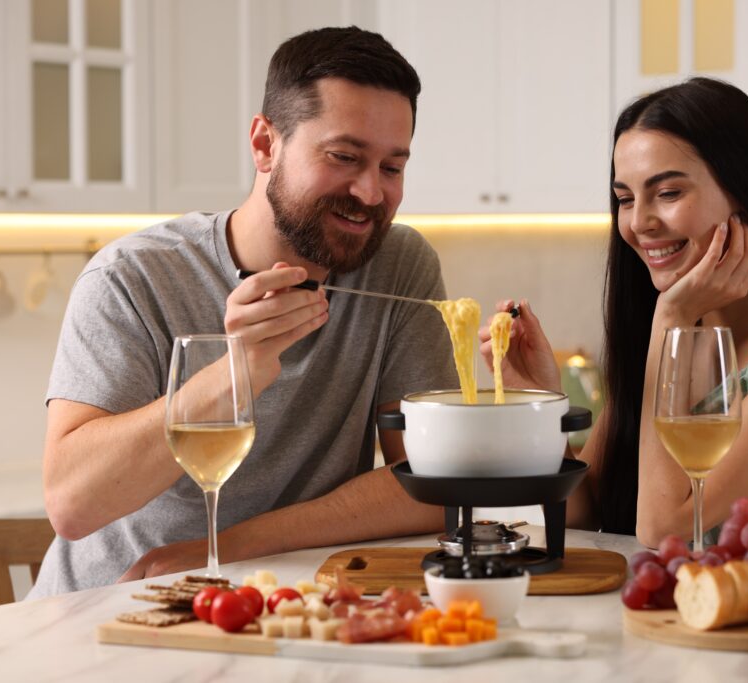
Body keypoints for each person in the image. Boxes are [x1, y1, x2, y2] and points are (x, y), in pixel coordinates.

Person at [28, 26, 458, 597]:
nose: (371, 193)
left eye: (392, 168)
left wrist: (234, 548)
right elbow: (72, 504)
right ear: (265, 145)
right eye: (344, 157)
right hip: (111, 608)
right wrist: (237, 371)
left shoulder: (399, 265)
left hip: (287, 605)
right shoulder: (132, 276)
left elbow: (432, 484)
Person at [482, 77, 748, 561]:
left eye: (668, 192)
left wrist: (672, 316)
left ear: (744, 191)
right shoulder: (667, 331)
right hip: (662, 607)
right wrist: (542, 406)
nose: (639, 222)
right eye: (625, 199)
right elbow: (585, 512)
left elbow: (662, 528)